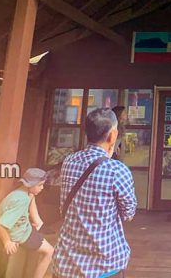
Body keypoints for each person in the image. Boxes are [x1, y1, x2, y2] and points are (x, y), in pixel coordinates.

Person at [53, 108, 137, 278]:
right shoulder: (117, 170)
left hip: (66, 263)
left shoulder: (69, 161)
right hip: (105, 266)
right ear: (112, 136)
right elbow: (128, 213)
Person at [0, 168, 54, 278]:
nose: (42, 188)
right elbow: (1, 224)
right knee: (50, 252)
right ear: (30, 184)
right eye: (40, 185)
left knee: (40, 235)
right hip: (22, 235)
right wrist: (7, 242)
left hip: (23, 228)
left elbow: (28, 201)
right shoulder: (22, 200)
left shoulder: (21, 192)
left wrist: (35, 221)